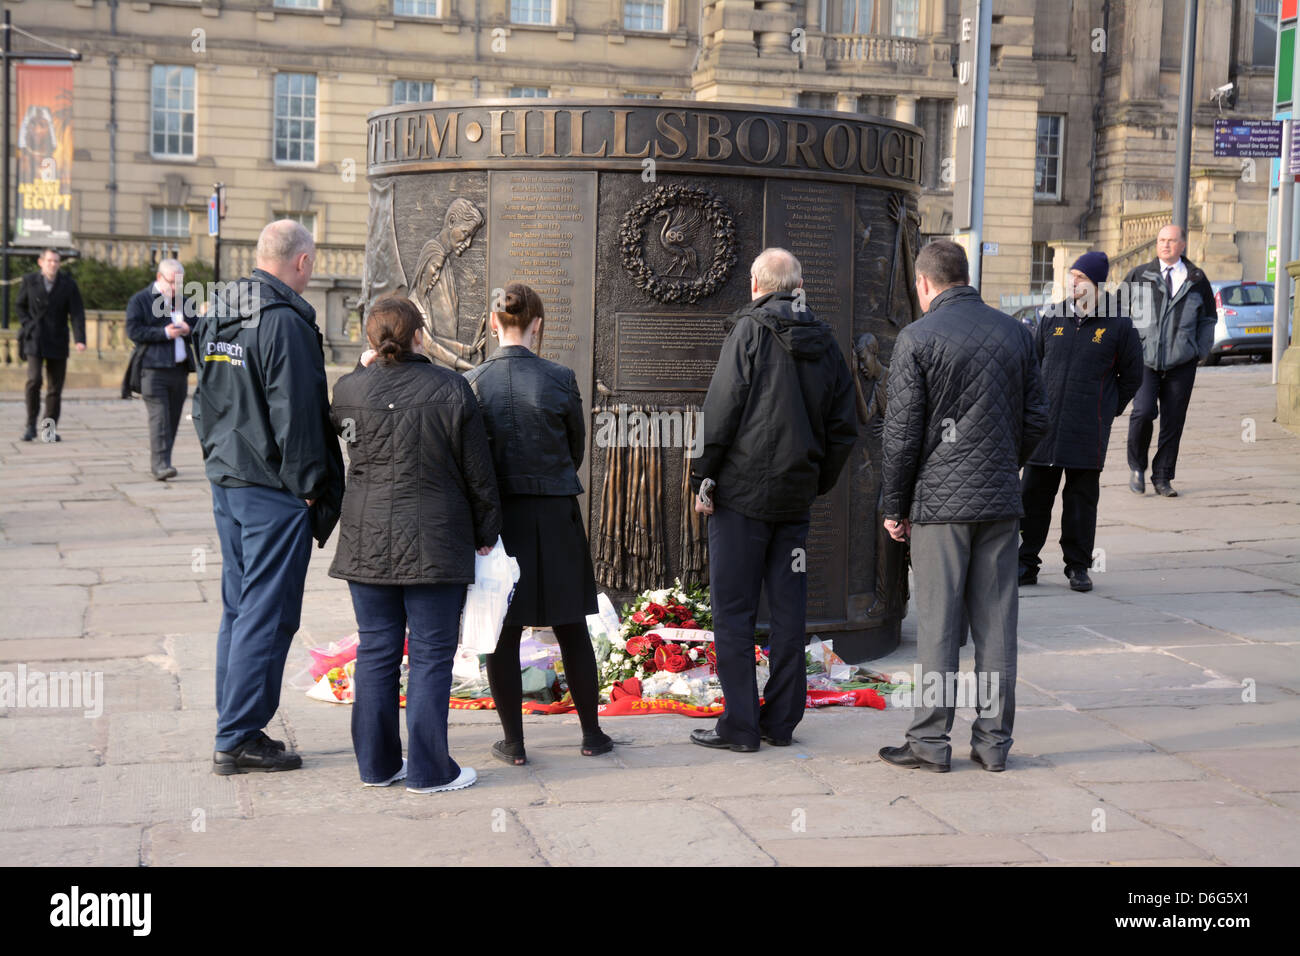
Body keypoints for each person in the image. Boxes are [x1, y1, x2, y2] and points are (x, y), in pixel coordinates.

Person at [878, 239, 1049, 773]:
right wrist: (1002, 460)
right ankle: (994, 743)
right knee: (997, 628)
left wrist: (894, 505)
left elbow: (902, 435)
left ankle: (930, 742)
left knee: (938, 626)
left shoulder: (917, 337)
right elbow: (1038, 419)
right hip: (999, 500)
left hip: (940, 508)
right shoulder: (1016, 332)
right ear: (965, 275)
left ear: (924, 283)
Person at [688, 248, 858, 752]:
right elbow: (845, 427)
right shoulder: (827, 342)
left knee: (733, 612)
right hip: (793, 502)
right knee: (789, 612)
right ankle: (781, 721)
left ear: (756, 285)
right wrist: (815, 481)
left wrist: (703, 476)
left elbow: (720, 412)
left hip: (740, 498)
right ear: (799, 286)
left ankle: (740, 725)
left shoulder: (750, 331)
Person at [191, 220, 345, 775]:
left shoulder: (219, 309)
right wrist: (308, 489)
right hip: (273, 488)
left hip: (229, 479)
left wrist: (217, 458)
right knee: (267, 611)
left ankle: (235, 724)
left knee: (239, 607)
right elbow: (298, 413)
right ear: (301, 262)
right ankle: (237, 736)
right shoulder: (285, 323)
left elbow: (205, 398)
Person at [330, 295, 501, 793]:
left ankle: (377, 766)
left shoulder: (348, 390)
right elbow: (478, 472)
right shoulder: (452, 388)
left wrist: (362, 371)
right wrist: (487, 531)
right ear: (420, 337)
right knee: (429, 655)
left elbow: (339, 439)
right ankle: (429, 770)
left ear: (370, 340)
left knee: (377, 651)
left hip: (366, 539)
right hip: (436, 541)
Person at [463, 282, 613, 765]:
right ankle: (592, 735)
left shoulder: (473, 382)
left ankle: (515, 743)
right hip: (554, 513)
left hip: (500, 519)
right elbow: (575, 449)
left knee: (503, 634)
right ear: (537, 325)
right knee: (571, 628)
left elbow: (470, 458)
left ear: (493, 324)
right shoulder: (561, 377)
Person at [1019, 252, 1143, 592]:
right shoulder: (1052, 317)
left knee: (1080, 502)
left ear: (1098, 284)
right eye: (1071, 275)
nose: (1074, 282)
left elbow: (1132, 376)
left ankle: (1077, 567)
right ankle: (1025, 561)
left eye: (1081, 277)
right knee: (1032, 499)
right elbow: (1033, 366)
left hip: (1088, 429)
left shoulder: (1118, 324)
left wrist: (1106, 409)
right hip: (1044, 429)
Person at [1123, 224, 1216, 498]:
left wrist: (1199, 351)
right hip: (1145, 360)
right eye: (1162, 240)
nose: (1165, 245)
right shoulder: (1140, 275)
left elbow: (1208, 319)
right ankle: (1137, 467)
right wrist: (1127, 347)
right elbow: (1116, 309)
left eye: (1172, 240)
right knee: (1142, 413)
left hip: (1181, 363)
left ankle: (1162, 477)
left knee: (1173, 422)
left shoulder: (1197, 279)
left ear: (1182, 244)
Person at [125, 258, 198, 480]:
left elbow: (199, 329)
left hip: (179, 370)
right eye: (172, 282)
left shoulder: (185, 302)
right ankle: (160, 465)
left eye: (180, 283)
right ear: (159, 278)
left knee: (173, 417)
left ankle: (164, 459)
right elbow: (133, 331)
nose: (176, 288)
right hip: (152, 369)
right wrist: (164, 333)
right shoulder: (141, 300)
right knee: (159, 418)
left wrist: (188, 329)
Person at [16, 248, 85, 442]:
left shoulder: (68, 284)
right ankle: (30, 425)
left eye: (56, 261)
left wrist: (80, 339)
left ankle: (48, 429)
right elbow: (19, 305)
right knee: (34, 381)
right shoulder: (29, 280)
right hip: (35, 338)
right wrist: (27, 323)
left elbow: (77, 313)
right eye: (49, 261)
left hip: (57, 338)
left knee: (55, 388)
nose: (52, 264)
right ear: (41, 262)